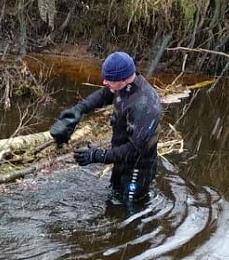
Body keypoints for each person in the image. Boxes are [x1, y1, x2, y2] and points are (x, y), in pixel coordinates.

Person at [50, 51, 162, 206]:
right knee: (114, 197)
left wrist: (96, 155)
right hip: (120, 163)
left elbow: (134, 150)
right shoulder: (123, 86)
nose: (104, 82)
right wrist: (78, 110)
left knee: (130, 210)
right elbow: (104, 95)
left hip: (137, 169)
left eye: (109, 79)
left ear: (123, 79)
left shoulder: (145, 106)